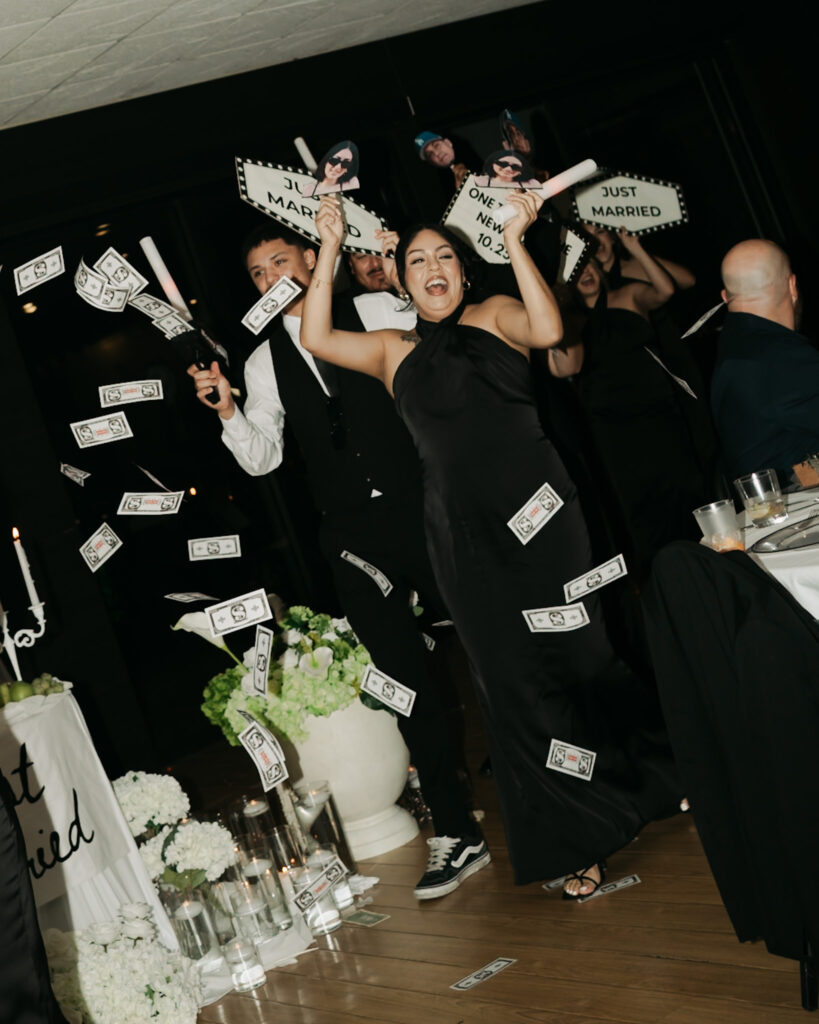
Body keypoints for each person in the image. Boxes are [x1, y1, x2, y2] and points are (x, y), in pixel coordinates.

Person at [301, 193, 681, 898]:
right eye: (415, 260)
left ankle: (653, 775)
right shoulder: (392, 351)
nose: (431, 267)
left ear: (462, 271)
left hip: (544, 521)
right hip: (464, 541)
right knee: (513, 689)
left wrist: (514, 240)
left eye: (443, 255)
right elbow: (317, 338)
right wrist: (326, 248)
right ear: (398, 279)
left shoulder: (493, 315)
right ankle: (578, 834)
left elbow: (547, 326)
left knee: (587, 661)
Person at [189, 222, 486, 900]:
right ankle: (453, 827)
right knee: (401, 680)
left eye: (279, 262)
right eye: (258, 273)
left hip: (427, 506)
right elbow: (263, 457)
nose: (270, 278)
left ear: (311, 259)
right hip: (351, 536)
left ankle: (550, 782)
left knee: (485, 643)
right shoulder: (263, 362)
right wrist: (230, 410)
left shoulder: (379, 310)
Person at [570, 236, 710, 571]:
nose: (585, 270)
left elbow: (665, 290)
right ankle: (666, 582)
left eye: (589, 263)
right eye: (577, 267)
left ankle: (711, 567)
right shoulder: (568, 322)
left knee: (685, 496)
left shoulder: (629, 294)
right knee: (640, 511)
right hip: (612, 430)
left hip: (658, 414)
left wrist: (635, 248)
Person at [711, 238, 819, 481]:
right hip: (794, 502)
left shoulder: (736, 345)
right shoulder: (780, 355)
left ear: (725, 297)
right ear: (792, 286)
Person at [581, 222, 695, 291]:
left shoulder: (637, 264)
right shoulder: (589, 284)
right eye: (588, 237)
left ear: (612, 237)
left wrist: (639, 252)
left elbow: (688, 280)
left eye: (600, 231)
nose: (595, 241)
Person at [473, 150, 540, 189]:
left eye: (515, 167)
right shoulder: (480, 181)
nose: (508, 168)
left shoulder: (529, 185)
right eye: (503, 164)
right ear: (493, 164)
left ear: (521, 171)